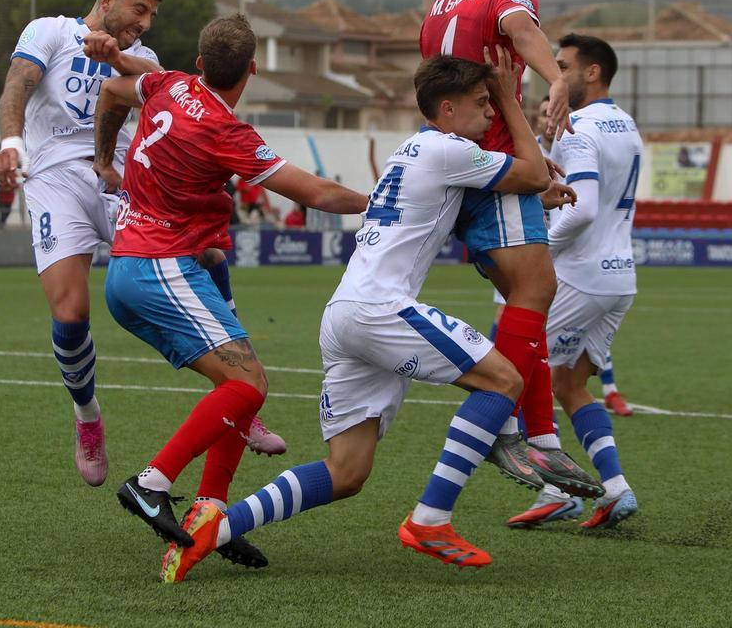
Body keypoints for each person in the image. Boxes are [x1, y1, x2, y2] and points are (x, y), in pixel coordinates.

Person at [157, 50, 554, 583]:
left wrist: (540, 194)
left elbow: (481, 199)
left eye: (493, 102)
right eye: (482, 102)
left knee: (346, 472)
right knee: (504, 380)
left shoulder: (413, 150)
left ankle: (213, 531)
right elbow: (531, 173)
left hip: (345, 314)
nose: (490, 112)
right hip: (379, 309)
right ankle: (431, 519)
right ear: (447, 108)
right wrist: (511, 97)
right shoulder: (450, 149)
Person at [93, 13, 368, 572]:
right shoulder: (226, 131)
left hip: (134, 266)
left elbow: (113, 90)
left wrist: (104, 159)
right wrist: (385, 201)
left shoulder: (169, 84)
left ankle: (210, 510)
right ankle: (152, 482)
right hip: (158, 268)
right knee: (247, 384)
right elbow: (315, 193)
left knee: (241, 387)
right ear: (252, 69)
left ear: (199, 62)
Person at [0, 0, 274, 487]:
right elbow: (17, 85)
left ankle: (241, 394)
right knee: (71, 311)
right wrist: (11, 142)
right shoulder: (50, 31)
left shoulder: (146, 60)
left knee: (209, 254)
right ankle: (87, 417)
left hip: (119, 179)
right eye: (139, 9)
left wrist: (118, 65)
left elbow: (150, 95)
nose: (144, 22)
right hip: (54, 182)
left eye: (152, 15)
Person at [419, 0, 599, 499]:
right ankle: (508, 425)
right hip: (495, 163)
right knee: (537, 290)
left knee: (527, 298)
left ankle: (540, 435)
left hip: (458, 162)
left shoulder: (439, 7)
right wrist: (556, 79)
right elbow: (520, 29)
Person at [509, 35, 640, 529]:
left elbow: (580, 210)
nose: (555, 76)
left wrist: (538, 249)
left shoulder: (577, 127)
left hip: (580, 276)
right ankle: (616, 488)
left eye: (563, 67)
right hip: (619, 277)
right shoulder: (625, 123)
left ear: (592, 72)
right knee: (568, 384)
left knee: (517, 376)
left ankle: (555, 489)